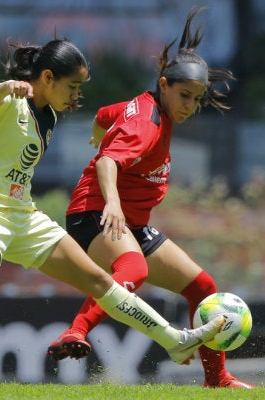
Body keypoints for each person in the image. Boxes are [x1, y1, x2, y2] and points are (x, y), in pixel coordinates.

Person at [0, 37, 226, 387]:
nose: (76, 96)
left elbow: (108, 115)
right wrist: (5, 87)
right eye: (72, 87)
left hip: (24, 216)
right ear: (46, 78)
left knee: (101, 281)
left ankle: (174, 342)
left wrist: (97, 130)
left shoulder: (50, 115)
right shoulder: (11, 101)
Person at [45, 9, 253, 389]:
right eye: (184, 95)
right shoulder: (147, 124)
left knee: (203, 287)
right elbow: (108, 161)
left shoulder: (145, 106)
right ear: (163, 84)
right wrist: (112, 204)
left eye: (197, 98)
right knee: (134, 270)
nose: (190, 104)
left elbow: (106, 114)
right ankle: (75, 332)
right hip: (94, 212)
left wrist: (98, 131)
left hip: (130, 221)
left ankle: (216, 379)